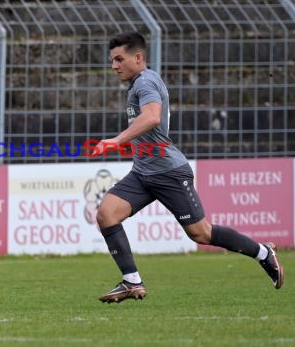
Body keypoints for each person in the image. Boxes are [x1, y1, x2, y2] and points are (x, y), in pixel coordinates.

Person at [92, 32, 284, 303]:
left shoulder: (145, 82)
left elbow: (152, 117)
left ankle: (263, 253)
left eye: (119, 59)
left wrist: (117, 140)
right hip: (143, 172)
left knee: (201, 233)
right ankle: (131, 281)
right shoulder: (138, 83)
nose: (114, 66)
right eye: (112, 60)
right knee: (106, 214)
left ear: (138, 57)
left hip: (169, 172)